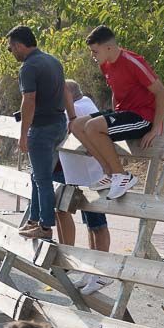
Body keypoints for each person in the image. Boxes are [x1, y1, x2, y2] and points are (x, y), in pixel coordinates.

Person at [74, 25, 164, 200]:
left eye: (95, 52)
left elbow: (161, 92)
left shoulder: (133, 62)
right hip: (124, 114)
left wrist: (155, 128)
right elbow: (116, 91)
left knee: (93, 127)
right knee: (76, 125)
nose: (92, 56)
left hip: (142, 117)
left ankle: (122, 175)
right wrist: (113, 114)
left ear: (108, 48)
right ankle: (109, 173)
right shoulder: (106, 64)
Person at [8, 26, 72, 241]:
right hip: (59, 124)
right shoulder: (53, 61)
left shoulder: (29, 67)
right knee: (37, 176)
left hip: (41, 128)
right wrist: (71, 117)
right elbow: (65, 90)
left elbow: (29, 101)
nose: (12, 52)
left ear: (19, 45)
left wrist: (23, 134)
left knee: (42, 179)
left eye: (11, 48)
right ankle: (34, 220)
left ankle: (45, 227)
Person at [53, 80, 111, 295]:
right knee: (91, 224)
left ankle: (101, 273)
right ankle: (92, 270)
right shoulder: (81, 104)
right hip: (82, 176)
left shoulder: (80, 108)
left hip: (92, 176)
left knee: (98, 225)